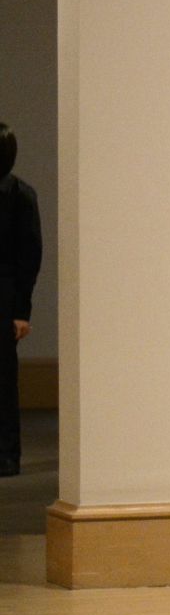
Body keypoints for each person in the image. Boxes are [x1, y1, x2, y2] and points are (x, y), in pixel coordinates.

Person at [0, 124, 42, 478]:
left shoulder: (20, 196)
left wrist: (21, 312)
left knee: (3, 379)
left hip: (4, 295)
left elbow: (29, 257)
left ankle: (7, 455)